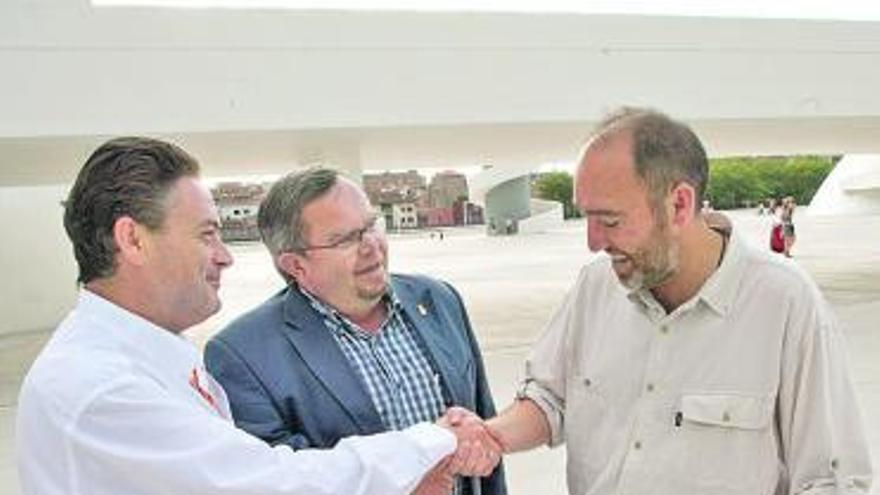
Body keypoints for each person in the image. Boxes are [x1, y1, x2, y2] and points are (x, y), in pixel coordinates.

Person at [16, 137, 495, 495]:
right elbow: (270, 483)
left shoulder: (146, 358)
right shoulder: (101, 388)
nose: (224, 256)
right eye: (206, 234)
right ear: (133, 239)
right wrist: (429, 445)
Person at [485, 108, 872, 494]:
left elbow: (832, 482)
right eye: (586, 217)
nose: (593, 242)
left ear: (679, 205)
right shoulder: (594, 287)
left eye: (611, 220)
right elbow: (550, 398)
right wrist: (488, 437)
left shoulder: (785, 303)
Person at [204, 167, 506, 495]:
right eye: (346, 238)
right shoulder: (242, 355)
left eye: (371, 224)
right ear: (296, 266)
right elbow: (268, 484)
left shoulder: (438, 300)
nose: (372, 245)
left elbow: (484, 437)